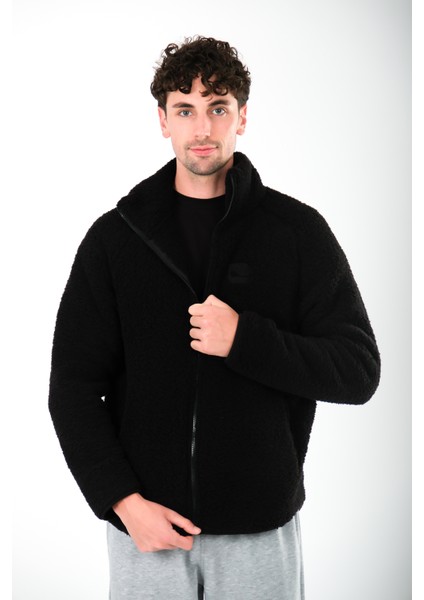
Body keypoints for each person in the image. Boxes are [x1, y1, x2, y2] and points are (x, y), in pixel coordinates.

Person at [49, 36, 380, 599]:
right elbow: (73, 387)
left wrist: (245, 339)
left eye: (218, 107)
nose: (202, 128)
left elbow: (358, 371)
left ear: (242, 117)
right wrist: (122, 502)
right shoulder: (114, 239)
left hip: (259, 531)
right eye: (185, 110)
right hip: (146, 530)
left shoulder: (296, 232)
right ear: (163, 120)